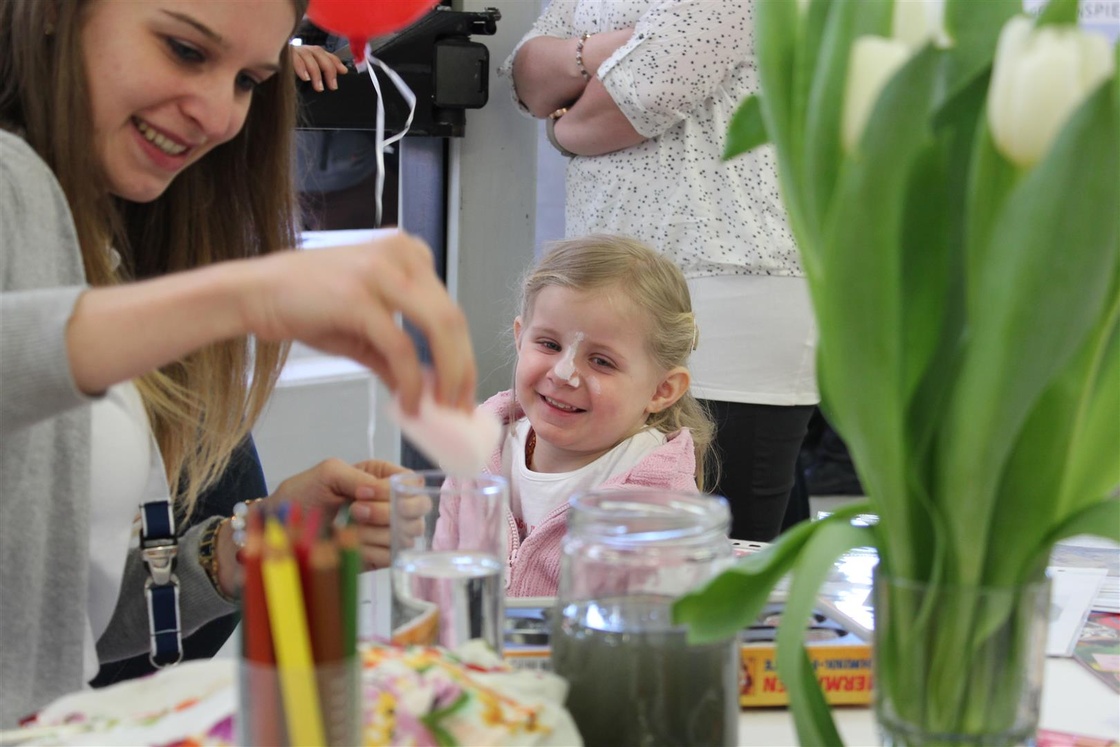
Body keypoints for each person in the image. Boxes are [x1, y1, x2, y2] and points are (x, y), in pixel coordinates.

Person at [0, 0, 476, 727]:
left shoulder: (98, 233)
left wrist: (249, 544)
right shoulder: (13, 183)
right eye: (186, 50)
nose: (221, 116)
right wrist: (236, 298)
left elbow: (46, 633)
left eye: (250, 80)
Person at [501, 1, 819, 542]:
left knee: (717, 560)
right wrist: (612, 49)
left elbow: (641, 97)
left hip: (731, 276)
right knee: (635, 545)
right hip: (620, 288)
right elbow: (527, 75)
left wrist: (564, 123)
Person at [434, 235, 716, 597]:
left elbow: (659, 635)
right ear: (520, 338)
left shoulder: (660, 504)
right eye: (549, 345)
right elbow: (441, 577)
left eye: (601, 361)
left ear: (662, 390)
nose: (563, 373)